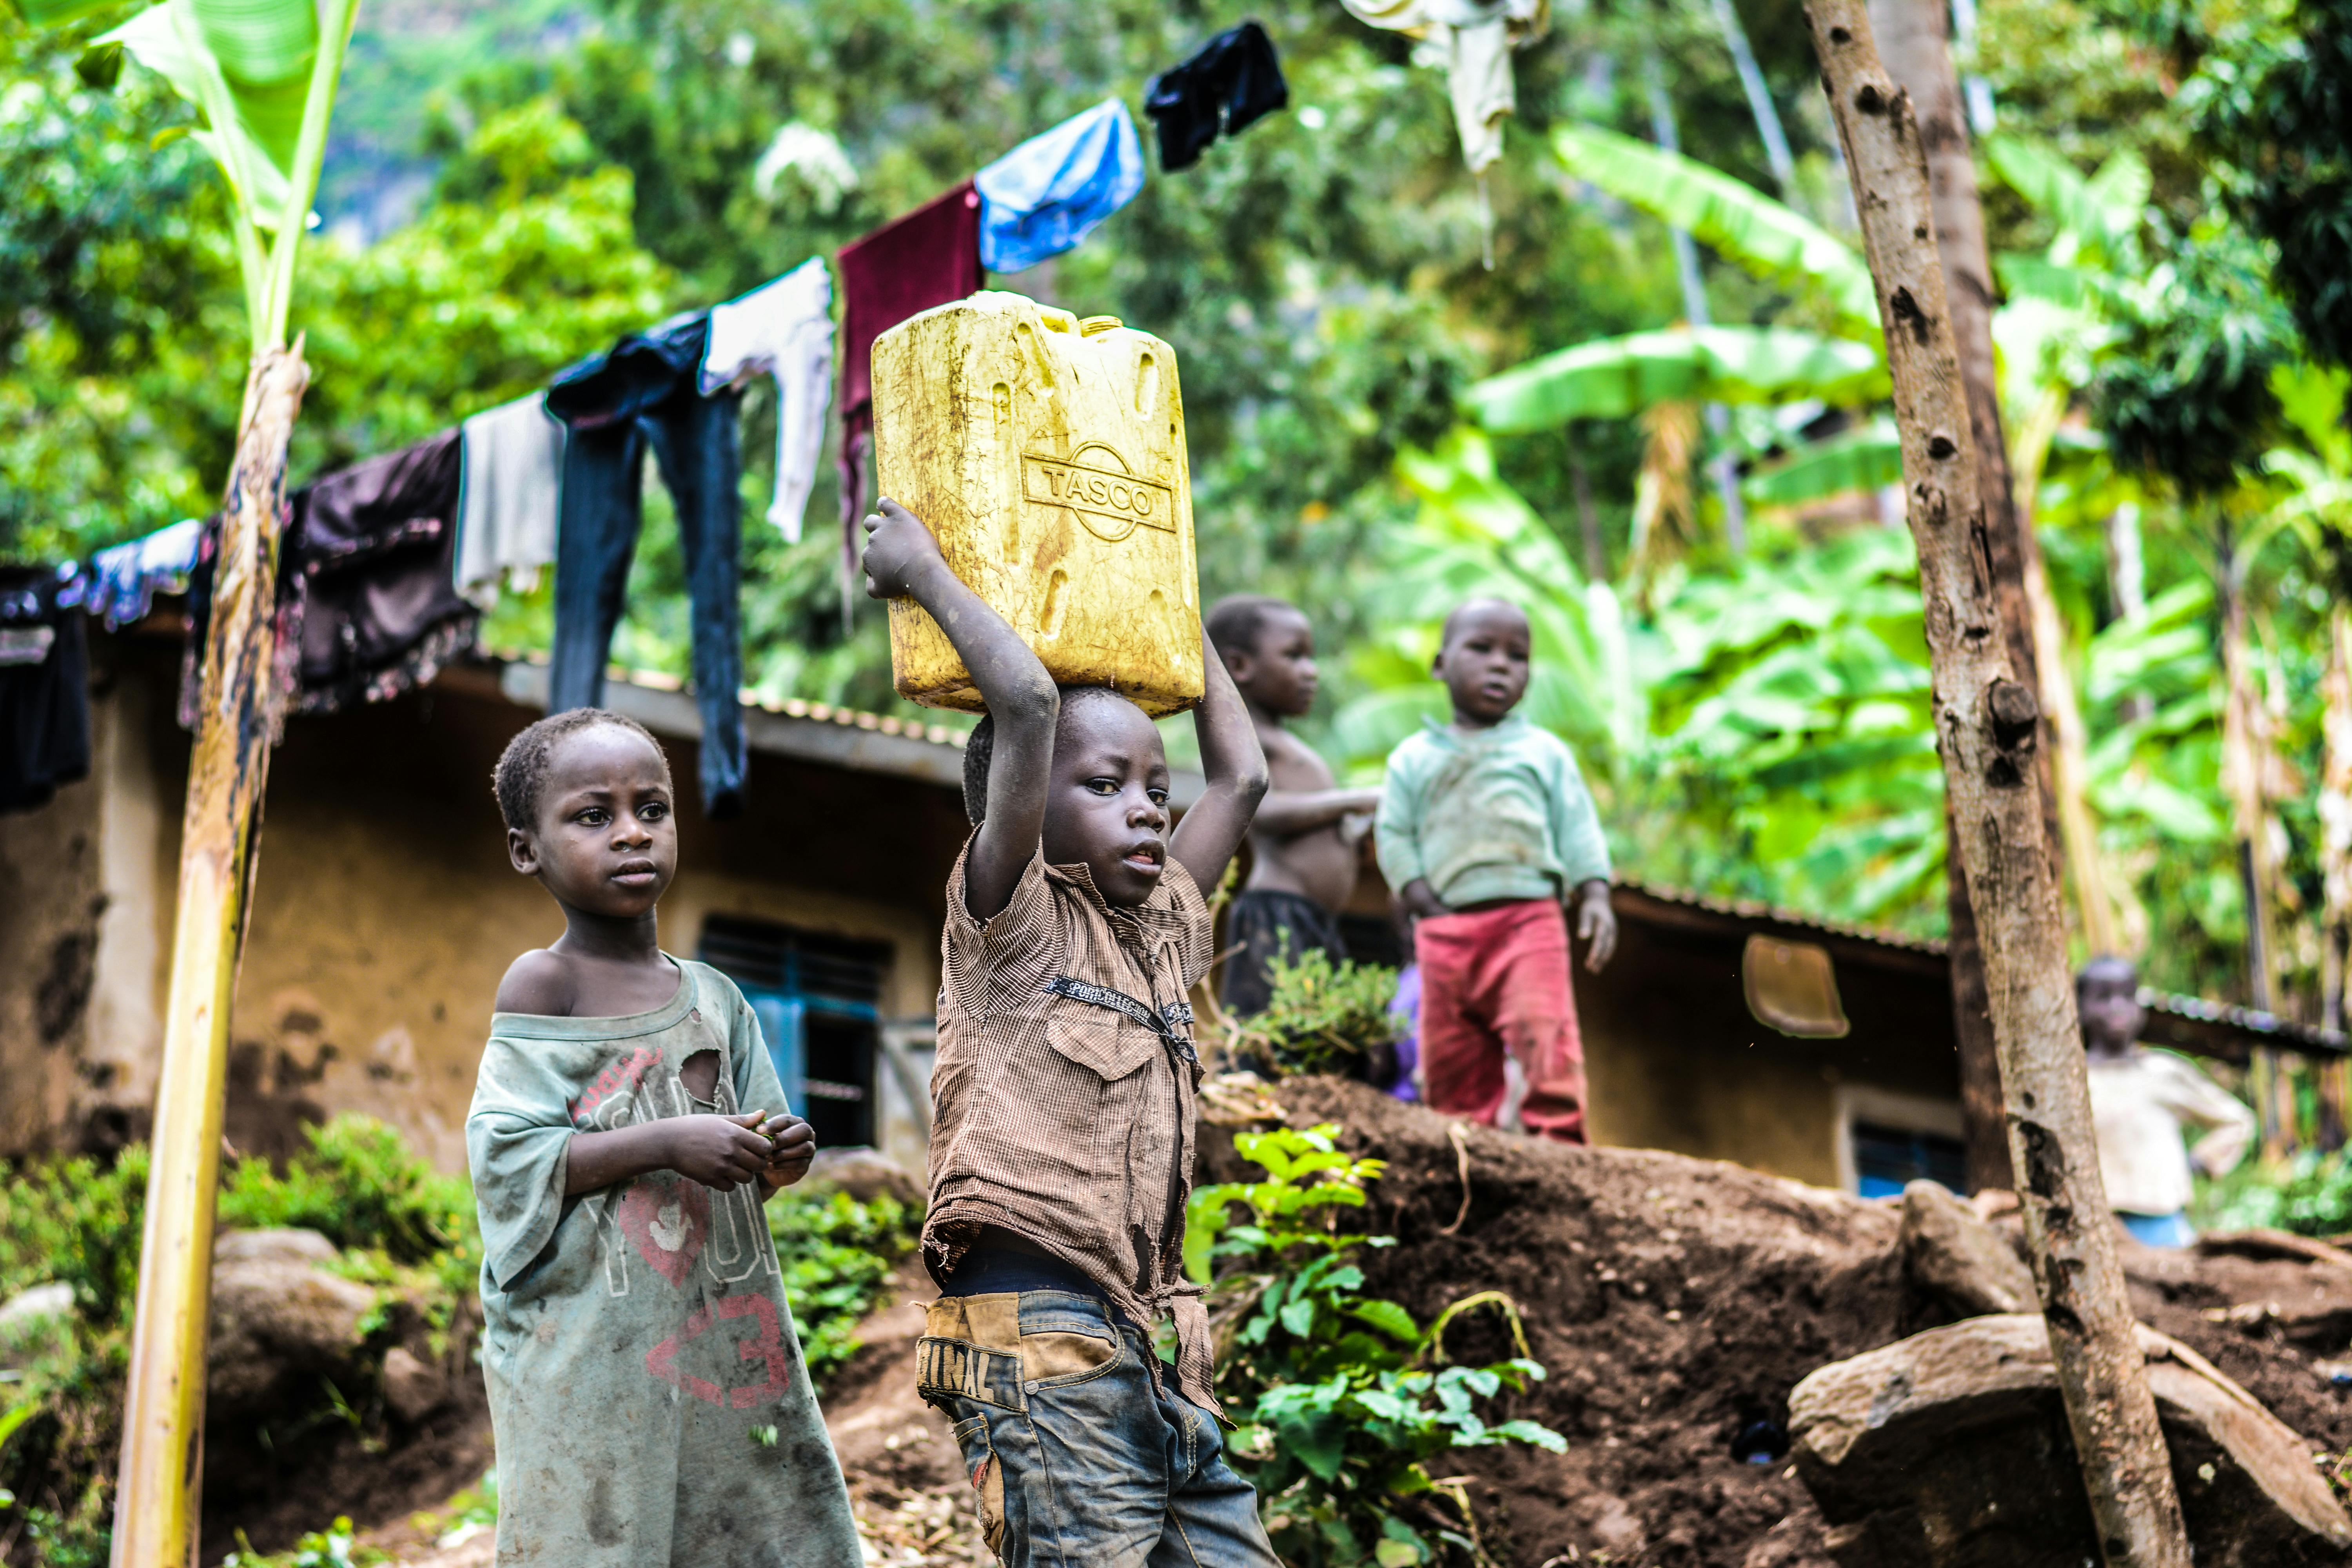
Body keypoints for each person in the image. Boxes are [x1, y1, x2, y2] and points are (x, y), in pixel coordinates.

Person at [860, 498, 1276, 1567]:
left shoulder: (1167, 928)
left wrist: (1169, 602)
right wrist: (924, 573)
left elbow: (1245, 777)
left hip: (1159, 1348)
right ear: (1020, 806)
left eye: (1154, 789)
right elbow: (1029, 704)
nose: (1148, 809)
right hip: (1036, 1338)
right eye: (1105, 787)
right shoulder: (1012, 919)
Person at [467, 708, 861, 1567]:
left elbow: (755, 1151)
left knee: (743, 1522)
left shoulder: (715, 996)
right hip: (583, 1347)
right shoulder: (546, 982)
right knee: (598, 1532)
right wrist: (667, 1141)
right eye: (593, 815)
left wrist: (778, 1153)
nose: (632, 833)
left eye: (652, 807)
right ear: (526, 848)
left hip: (717, 1327)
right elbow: (507, 1160)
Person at [1375, 597, 1616, 1144]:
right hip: (1444, 931)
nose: (1501, 665)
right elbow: (1393, 834)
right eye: (1481, 649)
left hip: (1530, 922)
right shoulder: (1412, 758)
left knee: (1545, 1039)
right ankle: (1466, 1154)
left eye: (1518, 655)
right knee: (1451, 1057)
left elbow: (1578, 826)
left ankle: (1559, 1148)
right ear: (1440, 665)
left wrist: (1595, 893)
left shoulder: (1544, 751)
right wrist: (1422, 898)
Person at [1204, 595, 1383, 1017]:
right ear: (1241, 666)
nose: (1312, 671)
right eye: (1295, 656)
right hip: (1278, 913)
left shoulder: (1289, 743)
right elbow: (1259, 812)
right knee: (1271, 1036)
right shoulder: (1246, 740)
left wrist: (1355, 836)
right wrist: (1355, 801)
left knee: (1309, 1034)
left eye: (1312, 657)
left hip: (1311, 917)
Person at [2079, 954, 2255, 1248]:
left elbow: (2238, 1121)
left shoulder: (2163, 1072)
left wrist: (2201, 1161)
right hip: (2095, 1228)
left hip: (2163, 1225)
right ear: (2079, 1007)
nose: (2117, 1007)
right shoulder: (2070, 1080)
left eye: (2126, 995)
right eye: (2103, 997)